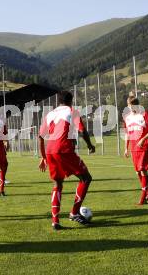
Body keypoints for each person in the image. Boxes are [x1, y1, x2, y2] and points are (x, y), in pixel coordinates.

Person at [38, 91, 95, 230]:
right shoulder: (72, 111)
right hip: (63, 149)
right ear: (71, 100)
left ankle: (55, 221)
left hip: (50, 150)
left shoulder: (50, 114)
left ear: (59, 101)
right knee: (86, 178)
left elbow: (40, 136)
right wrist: (90, 145)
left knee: (57, 184)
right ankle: (74, 212)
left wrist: (43, 156)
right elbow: (82, 131)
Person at [123, 96, 148, 205]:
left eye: (132, 106)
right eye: (129, 106)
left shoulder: (144, 114)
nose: (131, 108)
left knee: (142, 170)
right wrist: (126, 148)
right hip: (134, 149)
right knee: (138, 172)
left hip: (144, 147)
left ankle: (143, 198)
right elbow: (127, 134)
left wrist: (143, 139)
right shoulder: (127, 117)